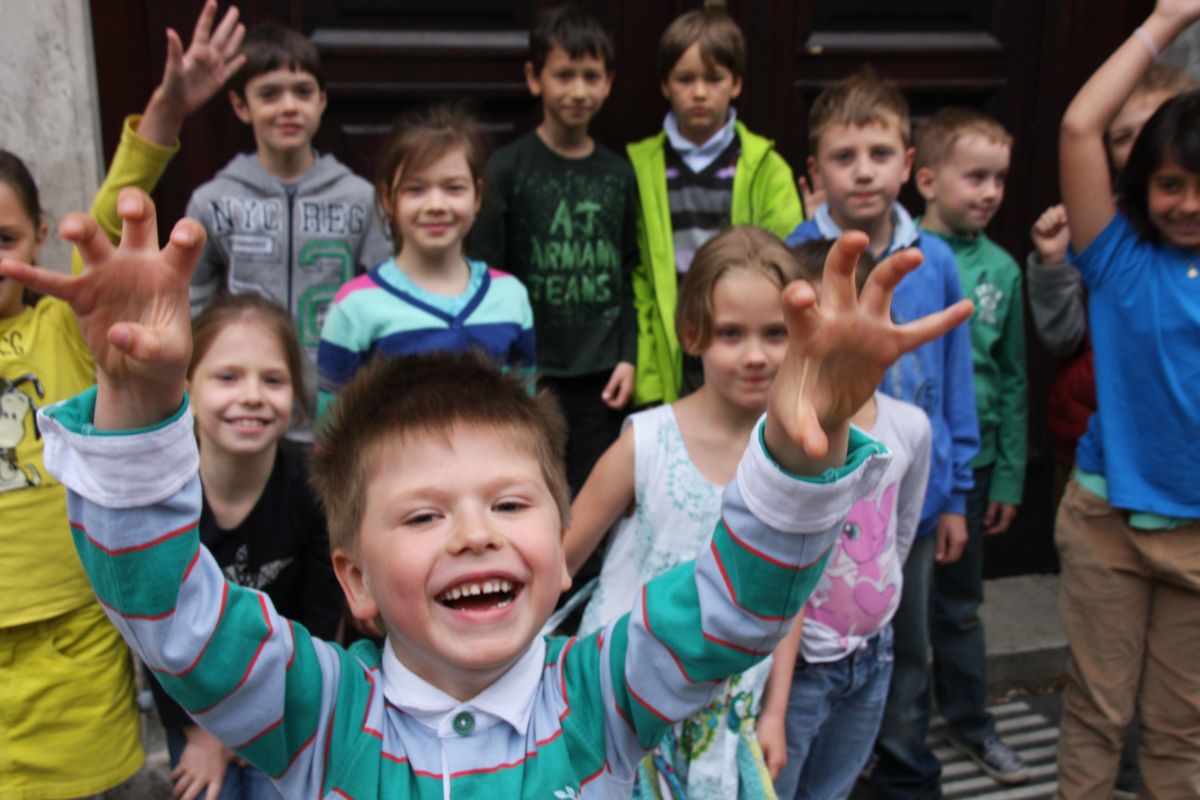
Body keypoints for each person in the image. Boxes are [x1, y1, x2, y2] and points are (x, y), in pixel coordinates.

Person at [1, 181, 972, 797]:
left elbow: (738, 603)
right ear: (354, 578)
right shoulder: (316, 708)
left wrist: (798, 453)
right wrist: (139, 402)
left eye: (510, 504)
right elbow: (165, 606)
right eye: (424, 513)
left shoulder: (605, 691)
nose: (475, 532)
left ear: (562, 549)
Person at [0, 5, 244, 797]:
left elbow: (113, 213)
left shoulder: (65, 328)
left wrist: (167, 111)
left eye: (3, 238)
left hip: (75, 640)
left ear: (39, 236)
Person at [781, 66, 987, 796]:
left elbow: (954, 379)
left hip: (912, 505)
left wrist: (955, 492)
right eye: (844, 156)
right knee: (813, 650)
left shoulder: (936, 261)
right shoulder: (791, 256)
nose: (863, 171)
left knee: (904, 646)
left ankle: (900, 767)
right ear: (815, 171)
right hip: (821, 504)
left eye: (879, 154)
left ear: (909, 164)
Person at [565, 226, 802, 799]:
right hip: (619, 717)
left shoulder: (794, 460)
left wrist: (775, 713)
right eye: (731, 333)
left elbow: (788, 598)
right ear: (692, 333)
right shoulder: (646, 443)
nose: (755, 355)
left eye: (775, 333)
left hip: (723, 727)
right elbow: (556, 562)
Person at [1055, 3, 1200, 795]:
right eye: (1171, 184)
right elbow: (1082, 127)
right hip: (1106, 521)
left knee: (1181, 732)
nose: (1188, 203)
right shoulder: (1117, 260)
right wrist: (1167, 19)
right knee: (1097, 716)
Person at [149, 294, 343, 800]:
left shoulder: (313, 488)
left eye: (273, 380)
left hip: (289, 695)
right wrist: (201, 733)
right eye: (228, 377)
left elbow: (319, 622)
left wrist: (256, 721)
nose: (253, 396)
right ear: (187, 387)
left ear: (296, 394)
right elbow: (153, 632)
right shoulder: (161, 493)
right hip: (191, 701)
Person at [760, 240, 931, 800]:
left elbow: (902, 527)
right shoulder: (778, 435)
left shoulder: (910, 427)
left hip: (873, 651)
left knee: (835, 786)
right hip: (799, 664)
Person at [470, 4, 638, 500]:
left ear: (609, 83)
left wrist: (628, 356)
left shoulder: (618, 173)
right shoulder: (507, 169)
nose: (579, 91)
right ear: (534, 77)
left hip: (602, 375)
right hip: (530, 372)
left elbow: (629, 270)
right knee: (526, 487)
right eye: (564, 75)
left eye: (591, 76)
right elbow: (487, 275)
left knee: (591, 497)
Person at [186, 22, 392, 416]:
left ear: (322, 101)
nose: (289, 107)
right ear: (241, 106)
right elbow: (192, 305)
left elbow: (385, 299)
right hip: (248, 408)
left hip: (338, 408)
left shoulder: (360, 198)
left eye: (303, 92)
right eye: (269, 94)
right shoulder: (212, 201)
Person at [912, 108, 1030, 784]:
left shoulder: (1003, 271)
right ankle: (889, 736)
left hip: (971, 470)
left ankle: (970, 723)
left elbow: (1013, 380)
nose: (990, 192)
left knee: (958, 608)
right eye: (975, 177)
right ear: (927, 179)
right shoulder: (901, 254)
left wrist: (1009, 476)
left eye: (999, 179)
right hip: (903, 471)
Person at [1027, 63, 1195, 509]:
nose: (1142, 147)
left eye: (1155, 129)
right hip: (1092, 444)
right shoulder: (1105, 238)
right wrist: (1054, 265)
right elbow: (1061, 336)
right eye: (1123, 137)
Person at [628, 4, 802, 405]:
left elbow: (789, 263)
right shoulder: (641, 168)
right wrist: (647, 377)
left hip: (742, 342)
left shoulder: (766, 168)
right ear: (664, 85)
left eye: (714, 78)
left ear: (736, 83)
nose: (700, 92)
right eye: (685, 79)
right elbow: (638, 278)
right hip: (671, 350)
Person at [316, 103, 536, 418]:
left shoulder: (511, 297)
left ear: (477, 196)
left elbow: (527, 415)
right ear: (388, 199)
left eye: (453, 188)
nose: (436, 205)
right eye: (415, 189)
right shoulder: (354, 307)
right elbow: (331, 428)